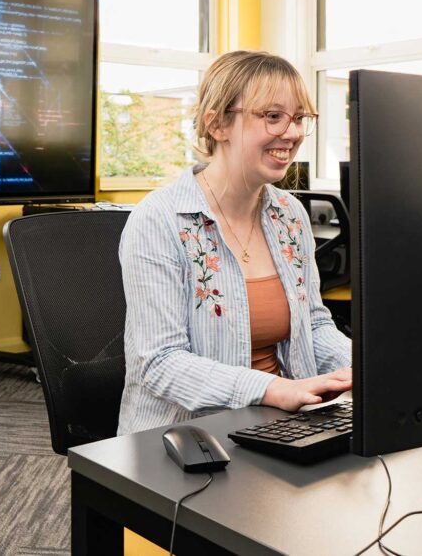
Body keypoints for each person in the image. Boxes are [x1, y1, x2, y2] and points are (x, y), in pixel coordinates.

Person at [117, 50, 352, 435]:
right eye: (273, 116)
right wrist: (272, 389)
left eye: (298, 119)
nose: (292, 134)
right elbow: (159, 363)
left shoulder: (289, 214)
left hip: (281, 425)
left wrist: (359, 364)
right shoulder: (159, 219)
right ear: (218, 124)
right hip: (186, 439)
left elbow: (311, 324)